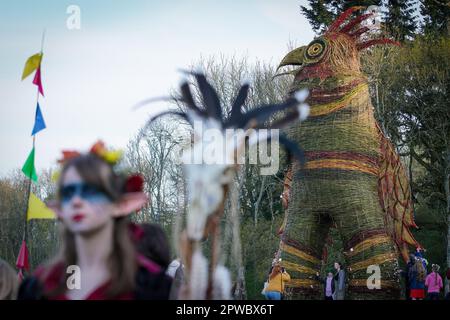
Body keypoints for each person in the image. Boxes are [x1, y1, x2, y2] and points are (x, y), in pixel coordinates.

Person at [17, 141, 171, 300]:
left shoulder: (153, 286)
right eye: (68, 192)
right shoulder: (39, 286)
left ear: (120, 205)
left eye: (90, 191)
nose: (76, 201)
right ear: (60, 209)